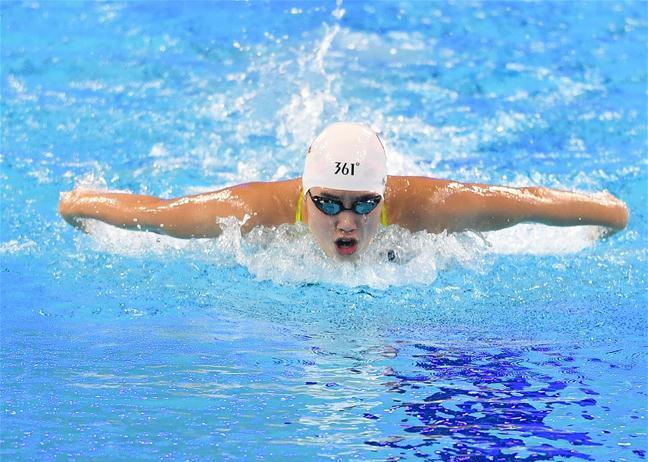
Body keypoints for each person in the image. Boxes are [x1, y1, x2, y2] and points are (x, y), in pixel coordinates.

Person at [59, 122, 629, 262]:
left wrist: (606, 223)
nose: (346, 223)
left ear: (385, 198)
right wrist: (76, 208)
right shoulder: (251, 214)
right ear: (305, 198)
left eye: (364, 205)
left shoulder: (430, 209)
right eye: (328, 203)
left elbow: (531, 202)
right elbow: (157, 214)